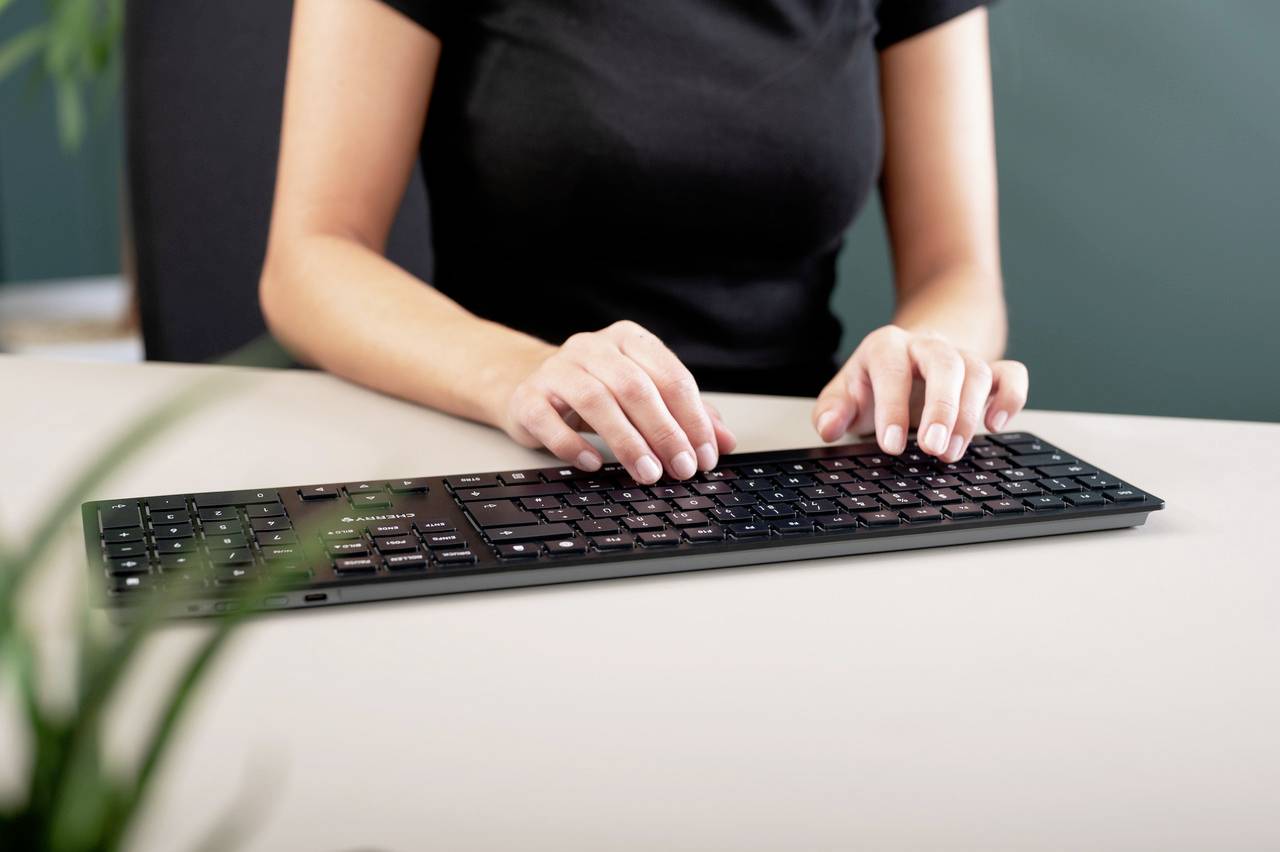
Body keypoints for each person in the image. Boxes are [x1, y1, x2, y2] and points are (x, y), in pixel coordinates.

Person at [259, 0, 1028, 485]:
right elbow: (313, 254)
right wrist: (524, 374)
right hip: (521, 455)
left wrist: (926, 356)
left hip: (803, 461)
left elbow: (957, 270)